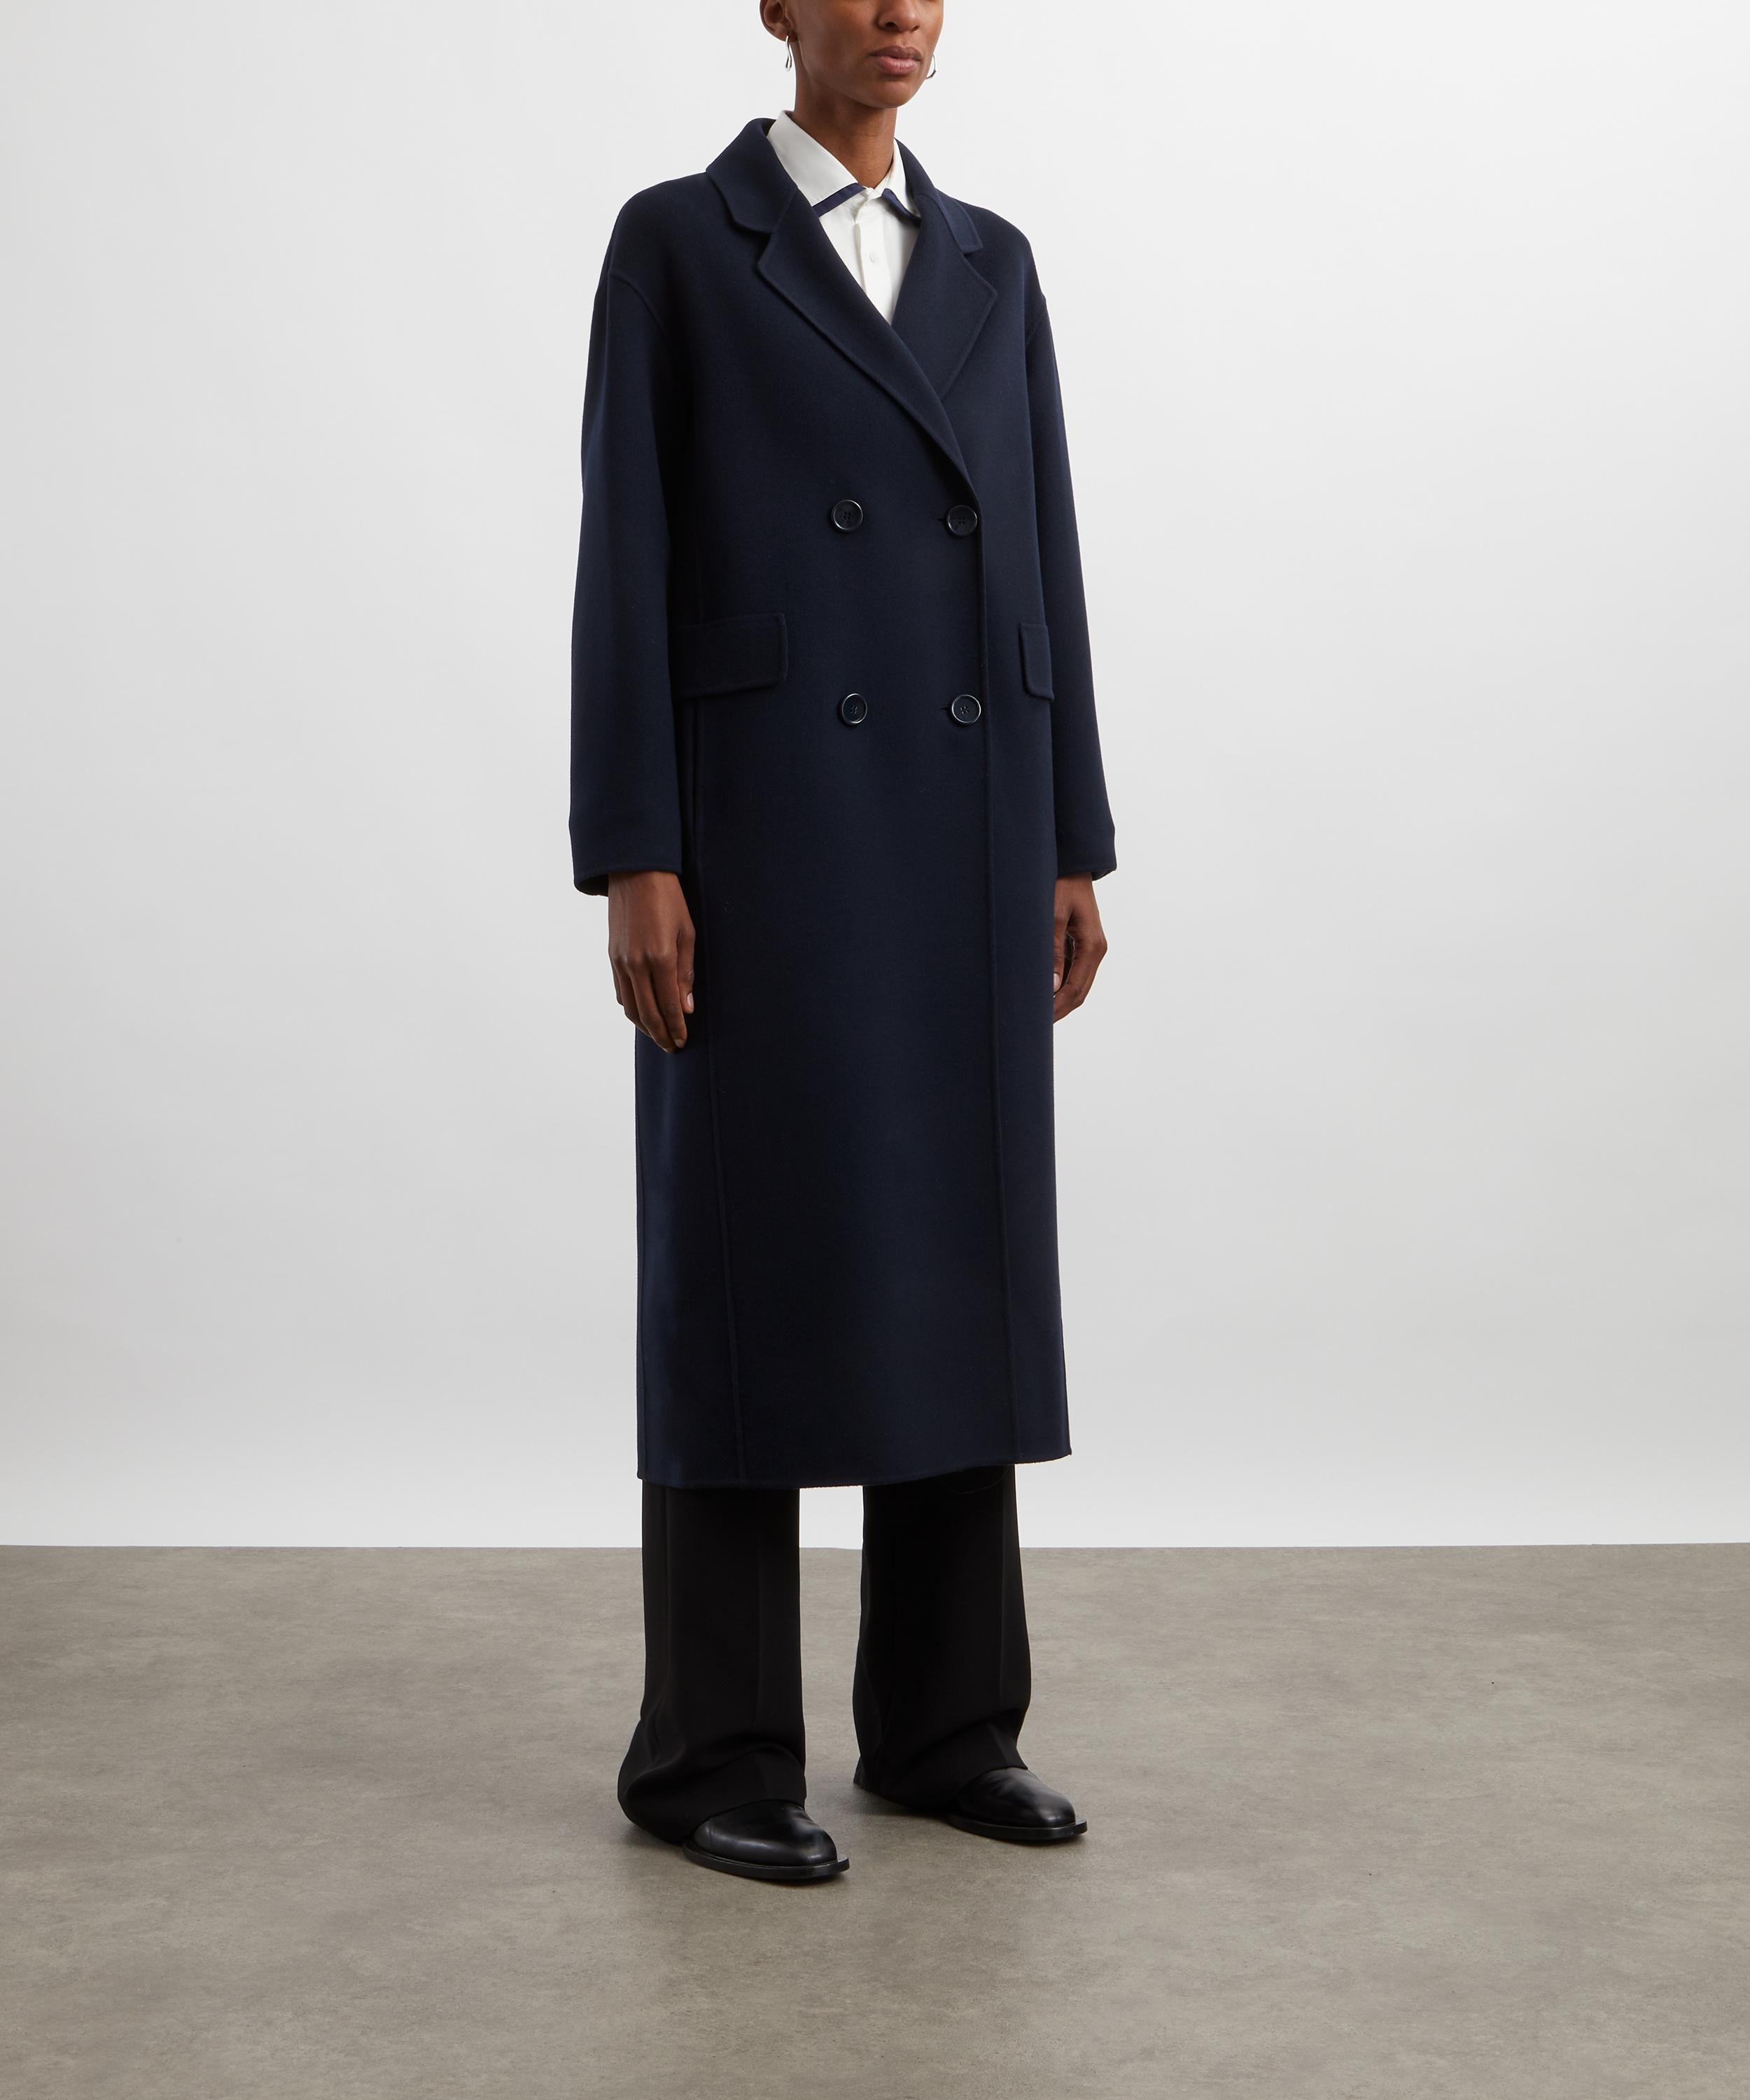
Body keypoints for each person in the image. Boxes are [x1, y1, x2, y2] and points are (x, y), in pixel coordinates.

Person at [568, 0, 1116, 1884]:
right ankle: (709, 1751)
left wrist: (1071, 833)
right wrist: (634, 847)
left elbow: (1040, 549)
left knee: (954, 1252)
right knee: (745, 1259)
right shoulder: (679, 240)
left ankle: (949, 1726)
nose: (897, 12)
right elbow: (624, 554)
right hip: (762, 829)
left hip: (969, 822)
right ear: (775, 9)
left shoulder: (992, 261)